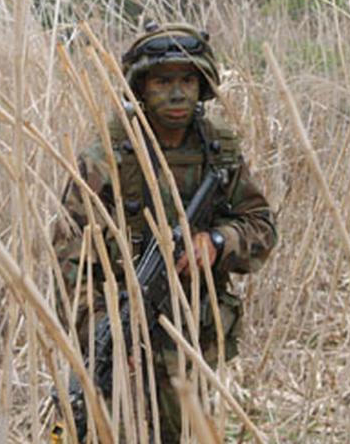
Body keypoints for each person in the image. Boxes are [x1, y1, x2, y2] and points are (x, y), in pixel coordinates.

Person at [53, 22, 277, 442]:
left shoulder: (219, 151)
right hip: (119, 326)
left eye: (187, 79)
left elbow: (261, 225)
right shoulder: (107, 157)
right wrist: (110, 334)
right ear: (140, 86)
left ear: (203, 84)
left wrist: (216, 242)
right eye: (162, 81)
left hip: (191, 334)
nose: (177, 93)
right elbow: (69, 261)